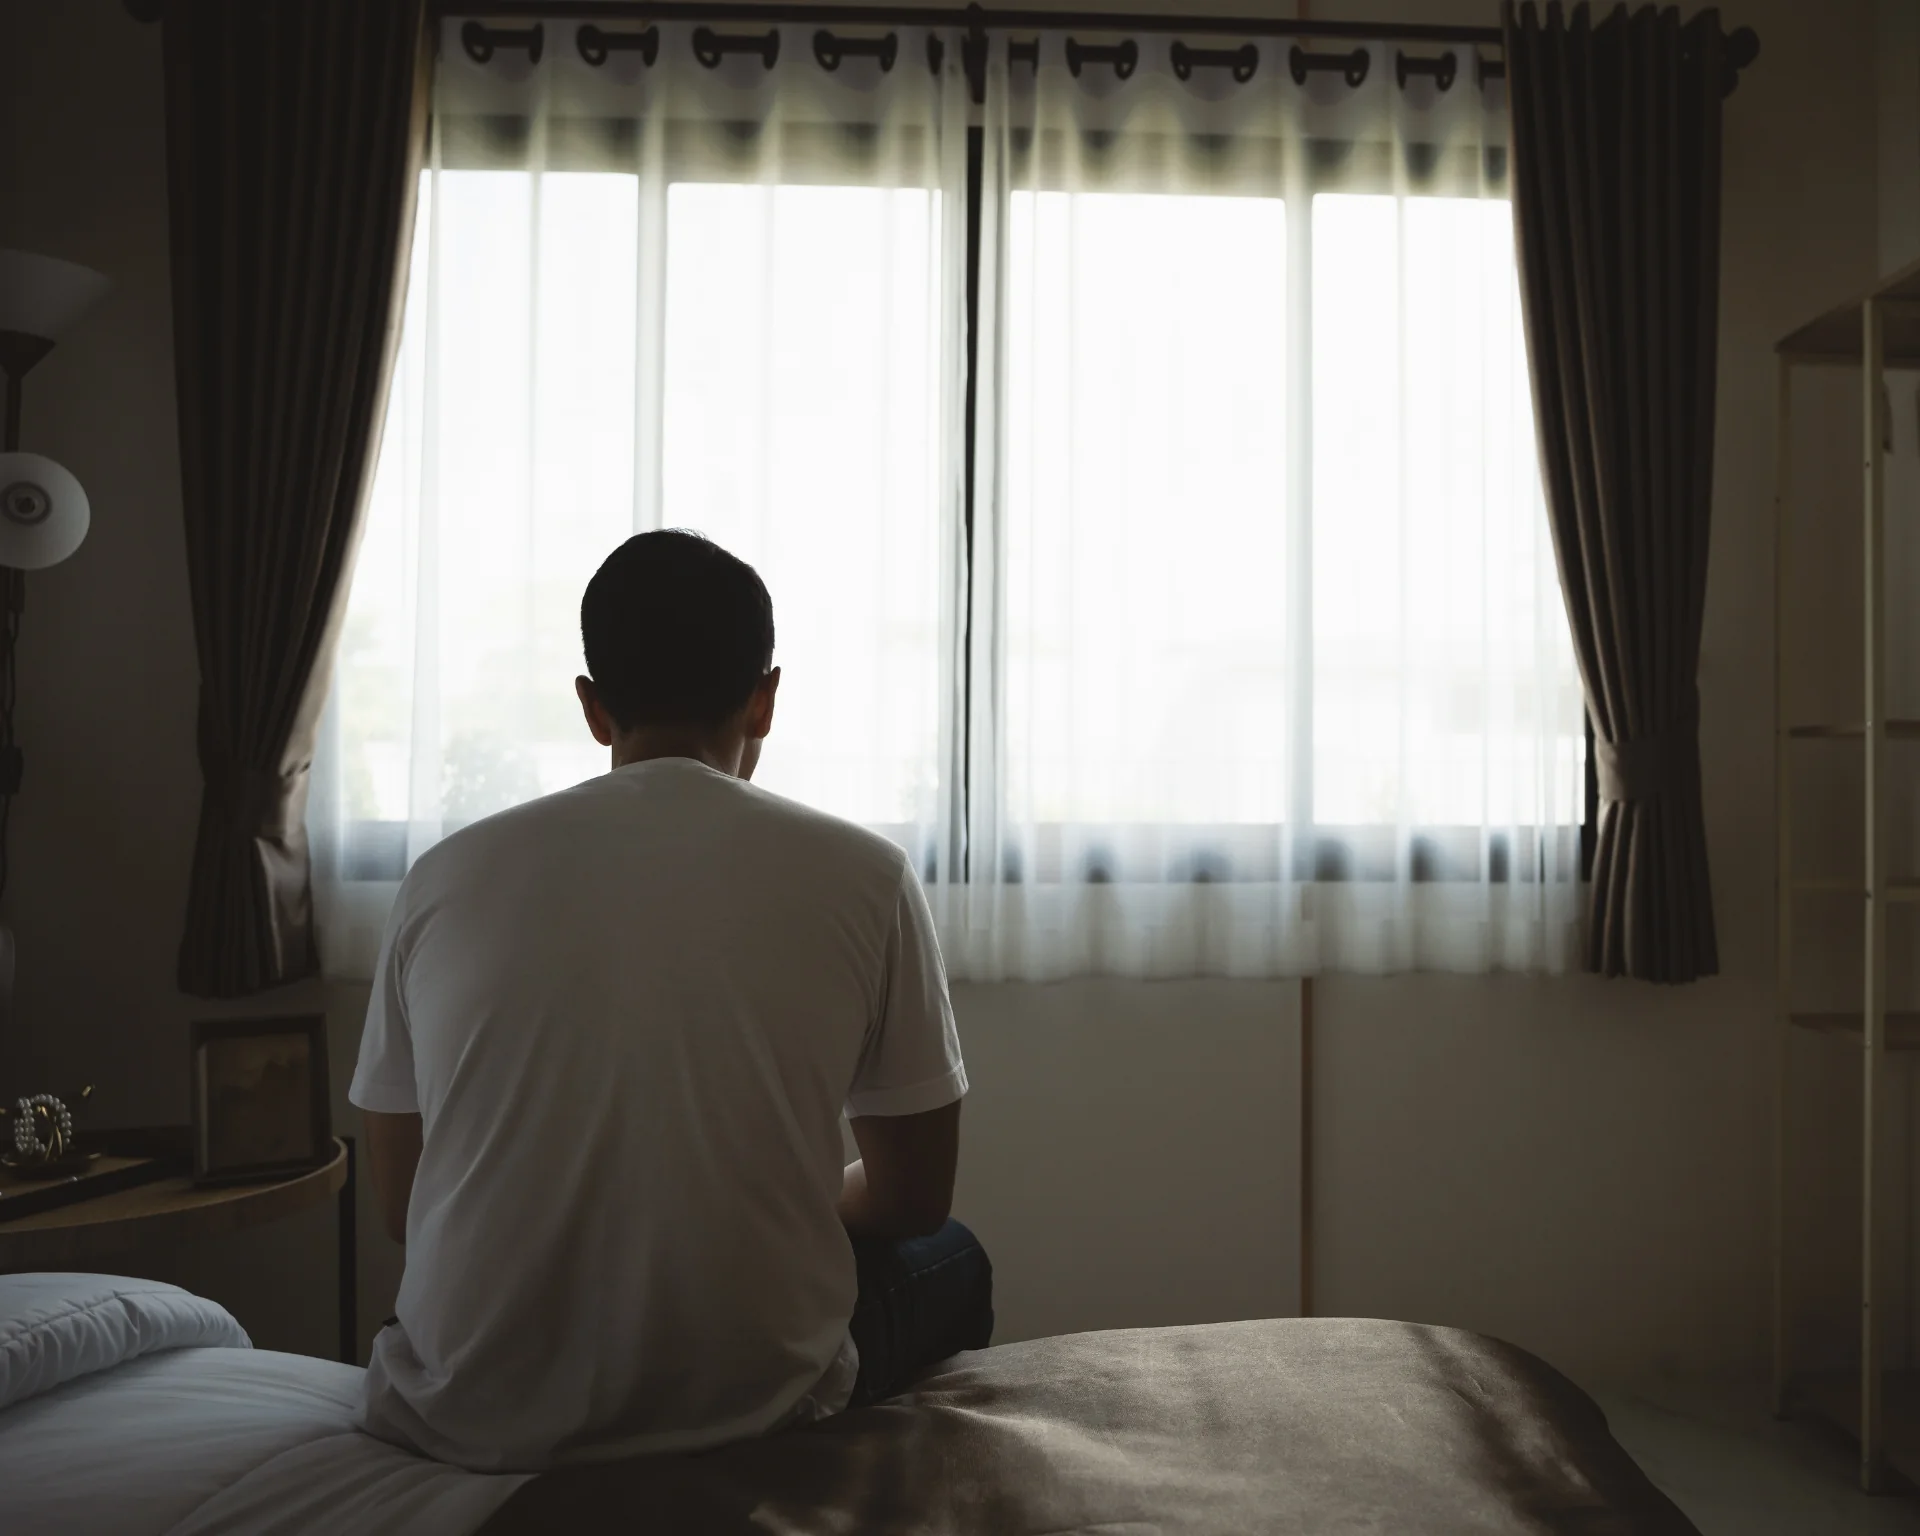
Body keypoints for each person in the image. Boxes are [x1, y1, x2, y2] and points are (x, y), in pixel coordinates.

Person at [348, 529, 992, 1473]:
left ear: (593, 707)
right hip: (751, 1401)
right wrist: (755, 1200)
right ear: (765, 698)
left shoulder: (443, 877)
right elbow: (912, 1199)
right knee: (956, 1255)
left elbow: (408, 1206)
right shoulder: (865, 876)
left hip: (470, 1412)